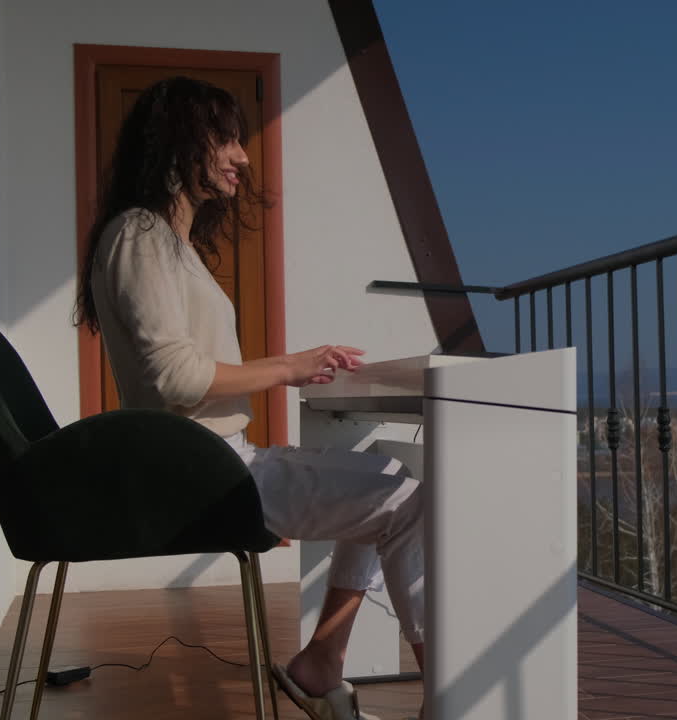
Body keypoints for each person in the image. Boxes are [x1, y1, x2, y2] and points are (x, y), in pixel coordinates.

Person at [75, 76, 422, 720]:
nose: (243, 157)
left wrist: (294, 367)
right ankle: (446, 697)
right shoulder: (141, 235)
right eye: (227, 139)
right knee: (403, 496)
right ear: (180, 141)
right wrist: (290, 366)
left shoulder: (166, 243)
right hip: (203, 474)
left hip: (207, 462)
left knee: (390, 485)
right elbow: (173, 379)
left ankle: (322, 661)